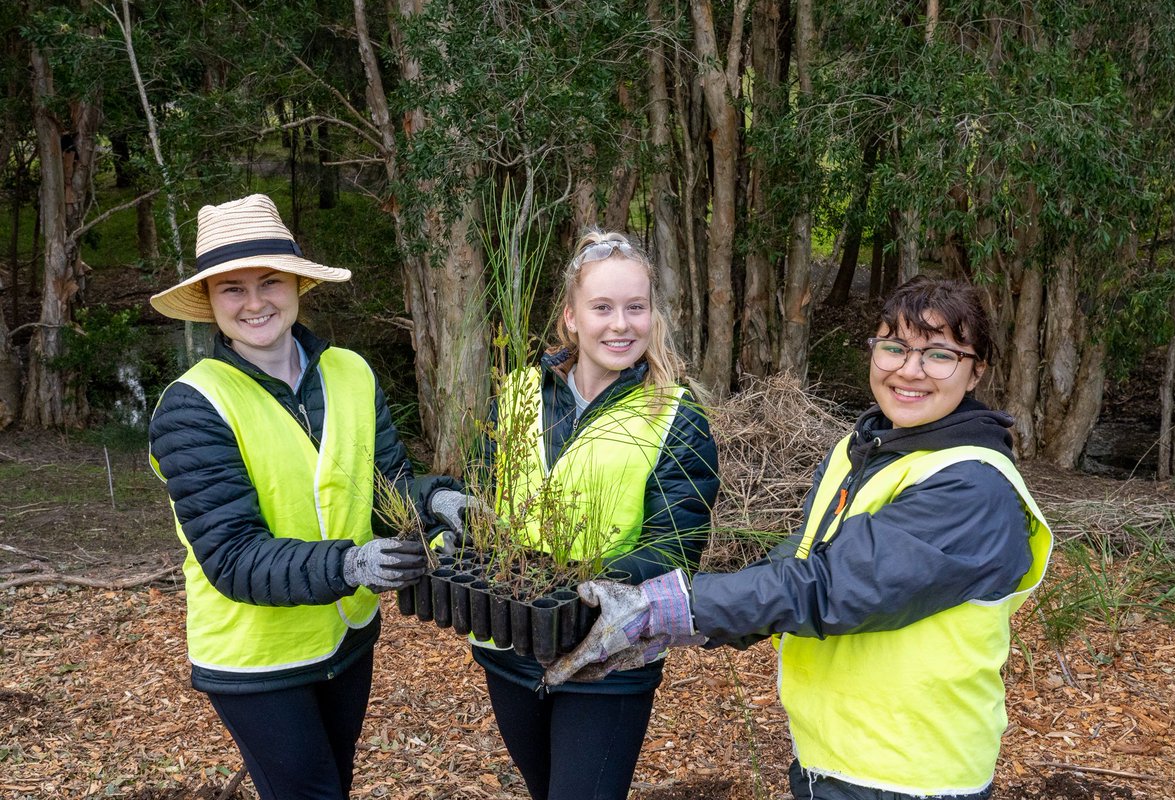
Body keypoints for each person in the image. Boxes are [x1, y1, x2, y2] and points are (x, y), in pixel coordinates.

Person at [547, 276, 1054, 800]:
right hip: (832, 758)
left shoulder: (972, 484)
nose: (909, 370)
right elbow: (800, 557)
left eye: (940, 355)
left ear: (976, 372)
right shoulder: (864, 450)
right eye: (895, 347)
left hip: (911, 775)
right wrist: (694, 624)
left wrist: (674, 606)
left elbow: (830, 588)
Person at [148, 194, 475, 800]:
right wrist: (353, 564)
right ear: (210, 303)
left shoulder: (350, 371)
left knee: (335, 782)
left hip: (346, 636)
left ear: (297, 284)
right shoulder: (192, 407)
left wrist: (432, 501)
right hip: (257, 656)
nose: (254, 303)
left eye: (270, 281)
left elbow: (385, 486)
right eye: (231, 289)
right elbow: (233, 556)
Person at [473, 230, 720, 800]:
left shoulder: (676, 416)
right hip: (510, 647)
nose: (620, 324)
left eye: (636, 307)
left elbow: (675, 544)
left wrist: (579, 587)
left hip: (608, 657)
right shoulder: (516, 395)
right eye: (602, 307)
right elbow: (483, 507)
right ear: (570, 318)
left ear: (653, 315)